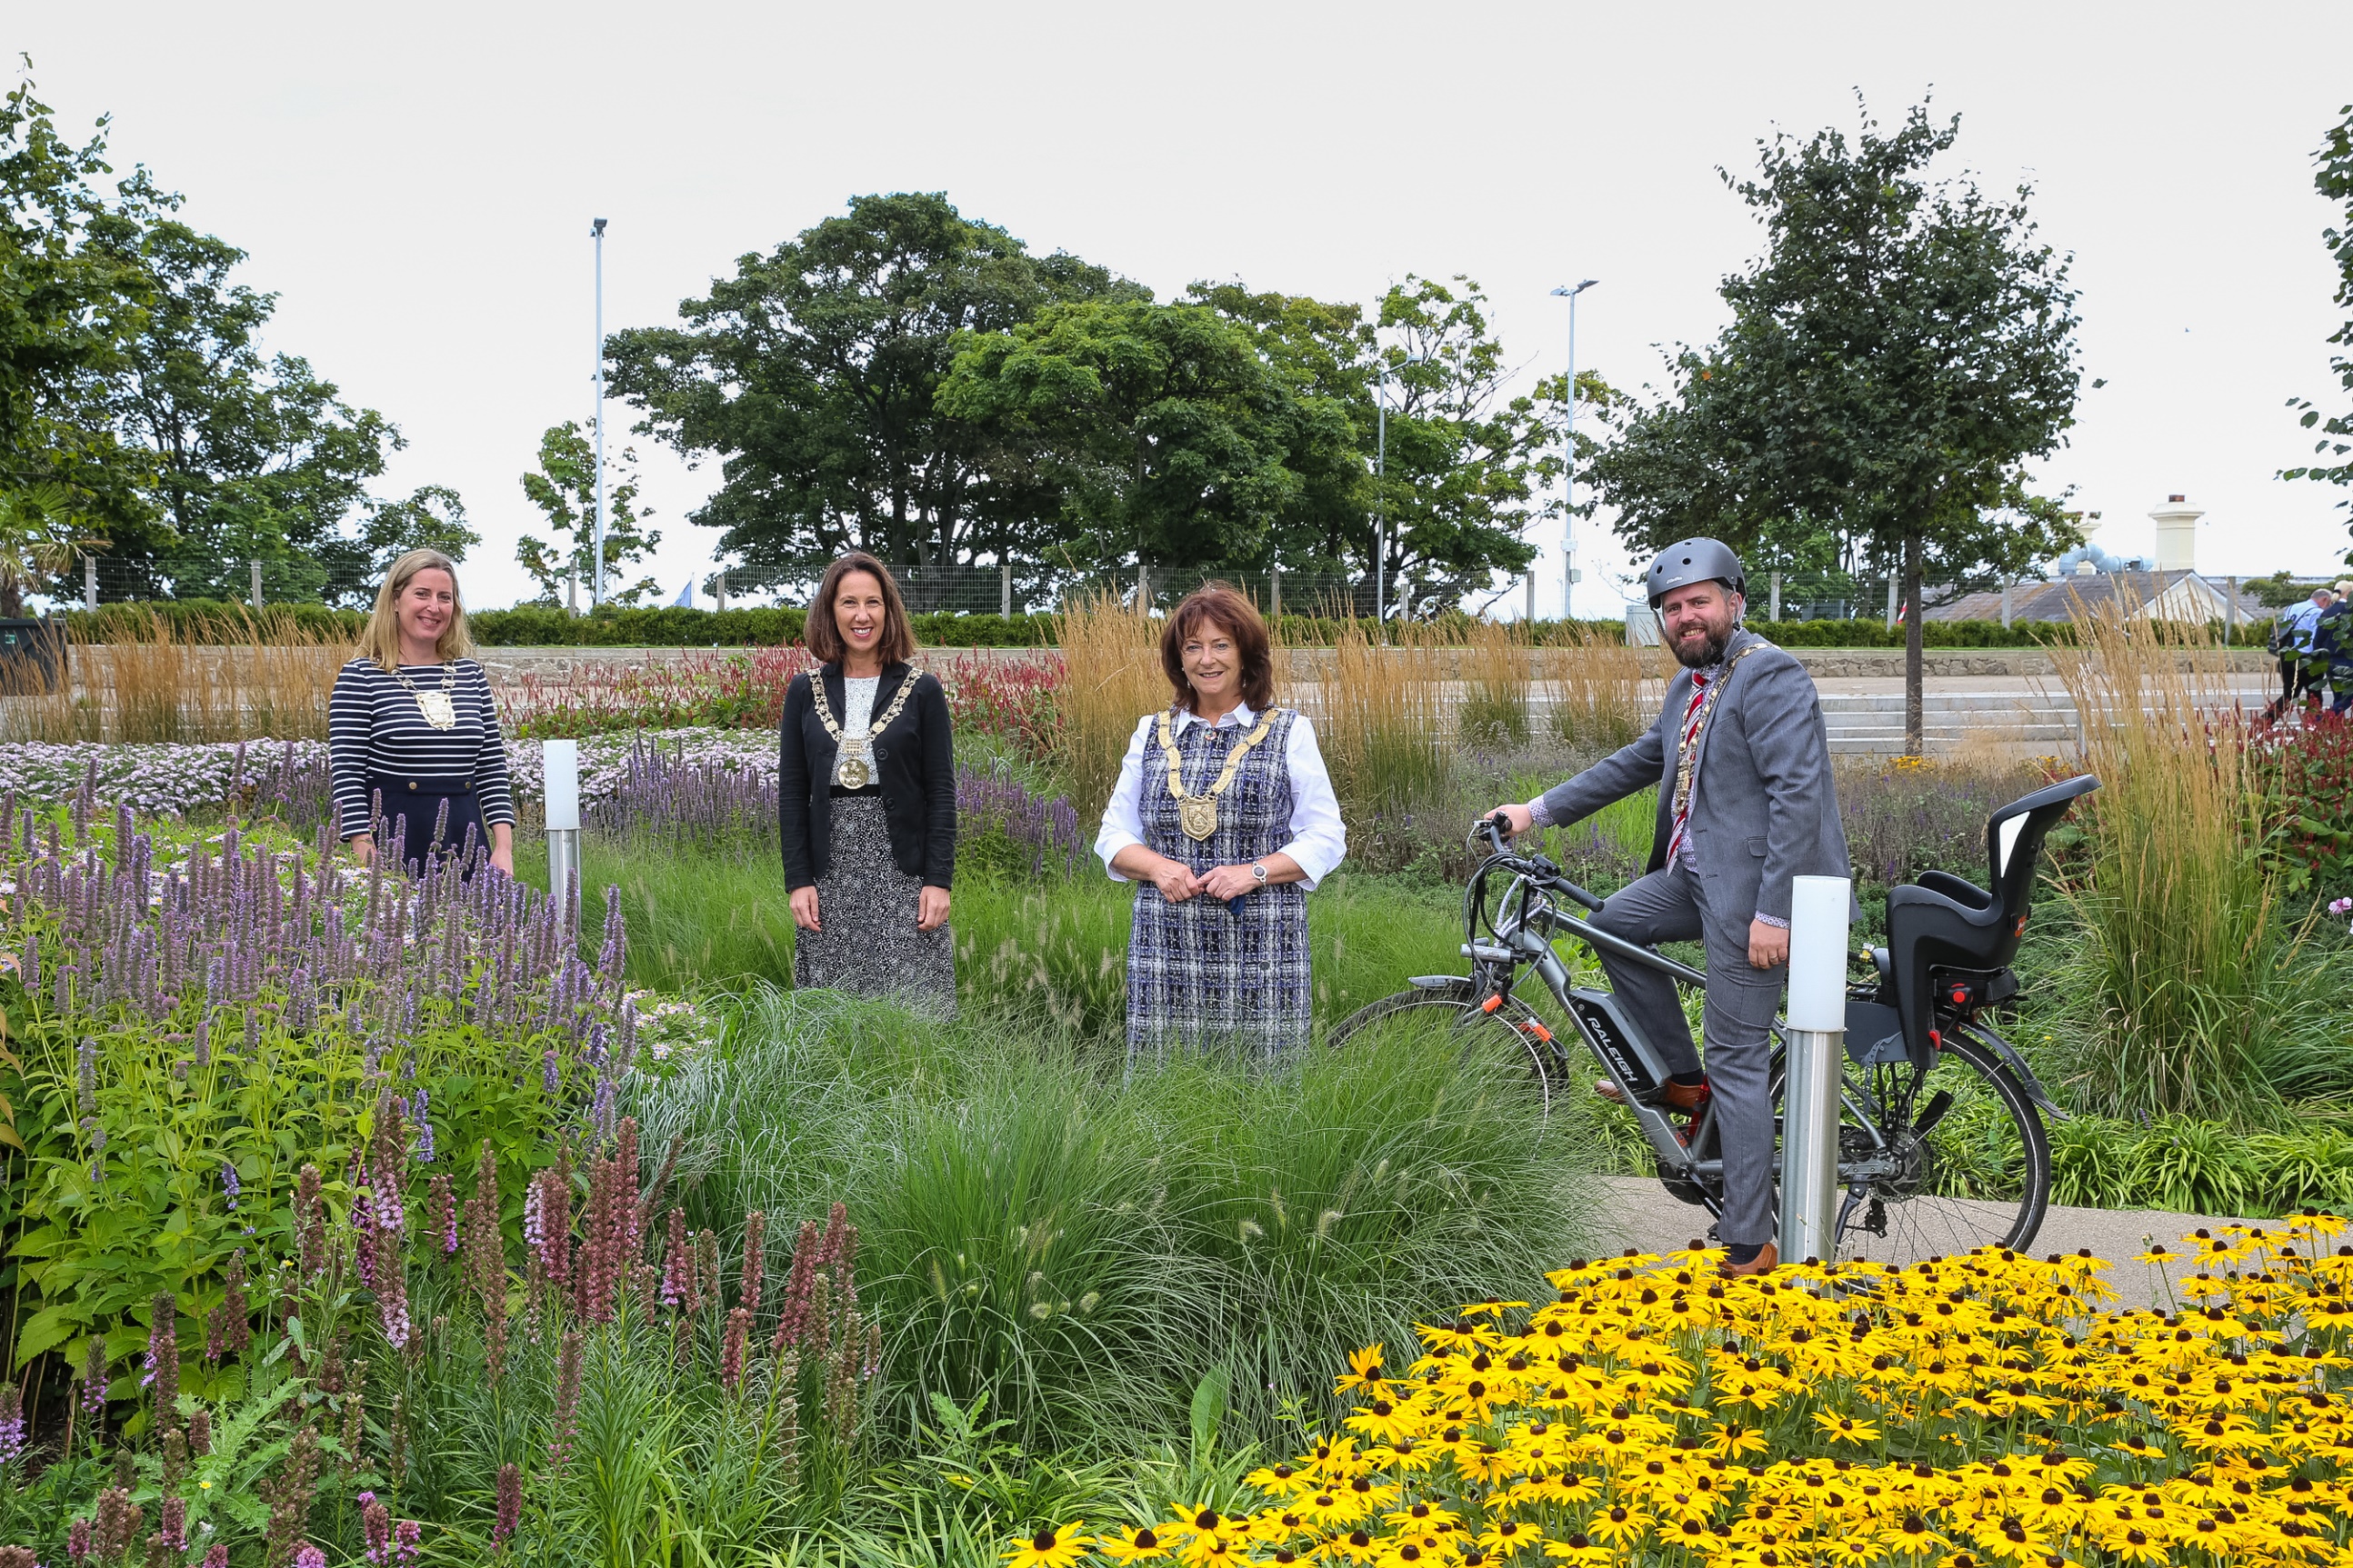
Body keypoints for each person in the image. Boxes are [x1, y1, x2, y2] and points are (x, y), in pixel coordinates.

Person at [1484, 539, 1847, 1279]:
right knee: (1613, 923)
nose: (1685, 616)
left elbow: (1798, 798)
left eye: (1699, 601)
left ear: (1735, 600)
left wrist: (1773, 913)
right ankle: (1683, 1081)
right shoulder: (1691, 685)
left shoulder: (1767, 674)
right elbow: (1640, 760)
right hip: (1698, 876)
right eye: (1671, 608)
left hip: (1760, 894)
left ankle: (1751, 1240)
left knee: (1739, 1057)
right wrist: (1536, 810)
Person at [1096, 584, 1345, 1055]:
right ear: (1179, 659)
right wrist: (1157, 868)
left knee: (1263, 1087)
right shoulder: (1151, 731)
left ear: (1246, 653)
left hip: (1265, 943)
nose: (1206, 659)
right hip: (1165, 944)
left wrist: (1253, 873)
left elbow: (1326, 835)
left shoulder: (1290, 730)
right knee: (1164, 1084)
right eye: (1193, 647)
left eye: (1220, 644)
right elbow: (1114, 833)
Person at [778, 553, 956, 1014]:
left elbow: (940, 793)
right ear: (830, 612)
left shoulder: (923, 690)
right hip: (830, 868)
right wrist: (798, 880)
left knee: (914, 1009)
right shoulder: (803, 690)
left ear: (889, 610)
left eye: (873, 603)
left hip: (903, 871)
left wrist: (938, 881)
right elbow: (793, 795)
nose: (862, 616)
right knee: (832, 1011)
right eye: (849, 603)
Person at [330, 548, 516, 877]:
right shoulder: (360, 676)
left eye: (445, 597)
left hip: (468, 838)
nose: (434, 607)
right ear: (395, 600)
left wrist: (503, 848)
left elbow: (491, 767)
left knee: (482, 929)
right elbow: (347, 770)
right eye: (422, 594)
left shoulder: (470, 675)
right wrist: (362, 844)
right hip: (393, 840)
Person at [2268, 587, 2330, 721]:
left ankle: (2264, 721)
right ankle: (2312, 726)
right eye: (2329, 604)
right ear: (2324, 599)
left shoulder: (2292, 607)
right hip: (2306, 658)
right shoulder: (2317, 613)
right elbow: (2316, 638)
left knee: (2289, 695)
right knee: (2314, 696)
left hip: (2287, 656)